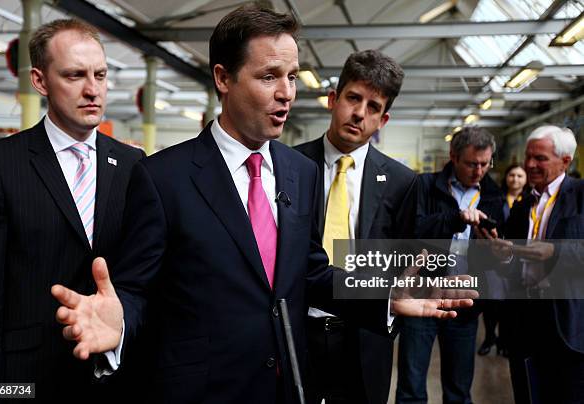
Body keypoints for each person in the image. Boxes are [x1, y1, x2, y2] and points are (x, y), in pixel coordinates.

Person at [49, 5, 476, 403]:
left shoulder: (299, 172)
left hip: (287, 386)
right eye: (269, 76)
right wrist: (118, 320)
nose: (287, 93)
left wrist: (382, 294)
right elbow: (139, 289)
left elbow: (308, 271)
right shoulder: (163, 177)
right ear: (223, 77)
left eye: (292, 76)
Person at [0, 19, 144, 399]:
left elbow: (142, 279)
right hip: (28, 382)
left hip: (113, 378)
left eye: (100, 75)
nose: (92, 89)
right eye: (74, 75)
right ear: (39, 80)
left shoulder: (134, 166)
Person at [294, 49, 416, 404]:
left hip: (366, 338)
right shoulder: (289, 166)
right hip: (299, 333)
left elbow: (401, 262)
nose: (360, 113)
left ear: (383, 120)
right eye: (353, 98)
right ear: (333, 99)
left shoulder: (401, 182)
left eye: (373, 107)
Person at [396, 127, 504, 404]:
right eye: (471, 163)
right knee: (411, 387)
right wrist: (456, 220)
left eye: (485, 163)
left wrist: (495, 250)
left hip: (464, 303)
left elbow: (498, 256)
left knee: (459, 389)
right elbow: (414, 229)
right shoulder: (425, 186)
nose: (479, 170)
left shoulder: (493, 196)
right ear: (453, 157)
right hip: (422, 296)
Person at [486, 125, 584, 404]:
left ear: (565, 161)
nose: (530, 164)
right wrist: (503, 255)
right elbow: (511, 268)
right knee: (529, 395)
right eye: (528, 157)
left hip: (568, 322)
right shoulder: (522, 204)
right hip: (524, 320)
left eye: (540, 158)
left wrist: (555, 252)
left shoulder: (580, 197)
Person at [478, 163, 528, 356]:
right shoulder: (496, 199)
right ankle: (490, 337)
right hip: (494, 256)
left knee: (510, 303)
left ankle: (505, 341)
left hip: (520, 259)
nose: (515, 179)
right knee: (491, 301)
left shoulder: (531, 201)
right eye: (512, 175)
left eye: (520, 176)